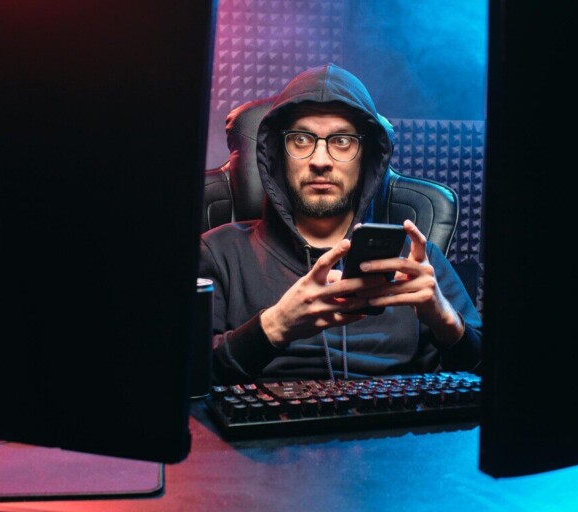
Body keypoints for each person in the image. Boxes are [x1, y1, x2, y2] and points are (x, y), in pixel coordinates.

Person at [199, 63, 481, 384]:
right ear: (278, 153)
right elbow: (184, 376)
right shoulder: (218, 252)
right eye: (301, 139)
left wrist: (447, 321)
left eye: (342, 141)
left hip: (390, 416)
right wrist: (274, 326)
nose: (320, 161)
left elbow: (492, 381)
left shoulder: (417, 263)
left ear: (367, 157)